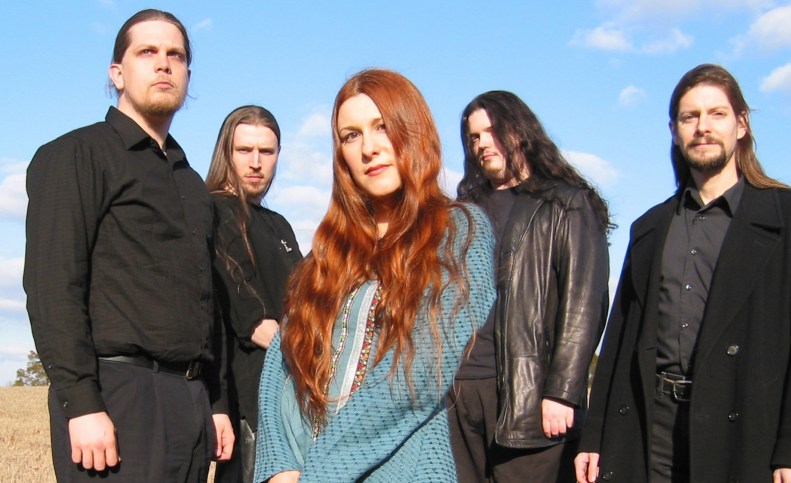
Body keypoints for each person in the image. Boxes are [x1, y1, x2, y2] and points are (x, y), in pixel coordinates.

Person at [575, 64, 791, 483]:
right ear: (674, 130)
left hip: (745, 433)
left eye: (717, 114)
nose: (703, 127)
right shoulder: (649, 228)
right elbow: (620, 338)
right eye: (690, 117)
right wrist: (594, 435)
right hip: (649, 432)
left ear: (742, 124)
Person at [253, 68, 496, 482]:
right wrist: (280, 463)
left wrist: (319, 472)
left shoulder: (459, 231)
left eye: (382, 127)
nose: (369, 148)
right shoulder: (327, 253)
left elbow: (420, 371)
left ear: (413, 130)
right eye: (351, 136)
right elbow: (282, 360)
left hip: (398, 471)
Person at [23, 9, 233, 482]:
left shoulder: (191, 184)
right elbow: (53, 285)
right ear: (117, 73)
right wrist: (82, 403)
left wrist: (216, 401)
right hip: (116, 396)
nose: (163, 64)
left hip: (189, 402)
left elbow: (207, 300)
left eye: (176, 55)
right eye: (147, 52)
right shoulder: (77, 155)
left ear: (187, 74)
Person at [449, 90, 611, 483]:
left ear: (519, 131)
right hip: (458, 395)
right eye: (473, 136)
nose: (482, 143)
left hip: (529, 397)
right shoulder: (462, 212)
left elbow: (585, 304)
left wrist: (562, 392)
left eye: (492, 131)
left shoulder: (566, 204)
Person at [206, 106, 303, 482]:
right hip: (248, 403)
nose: (256, 162)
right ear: (225, 152)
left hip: (292, 396)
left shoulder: (279, 225)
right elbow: (253, 321)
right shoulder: (213, 212)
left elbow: (304, 303)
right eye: (245, 150)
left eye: (267, 151)